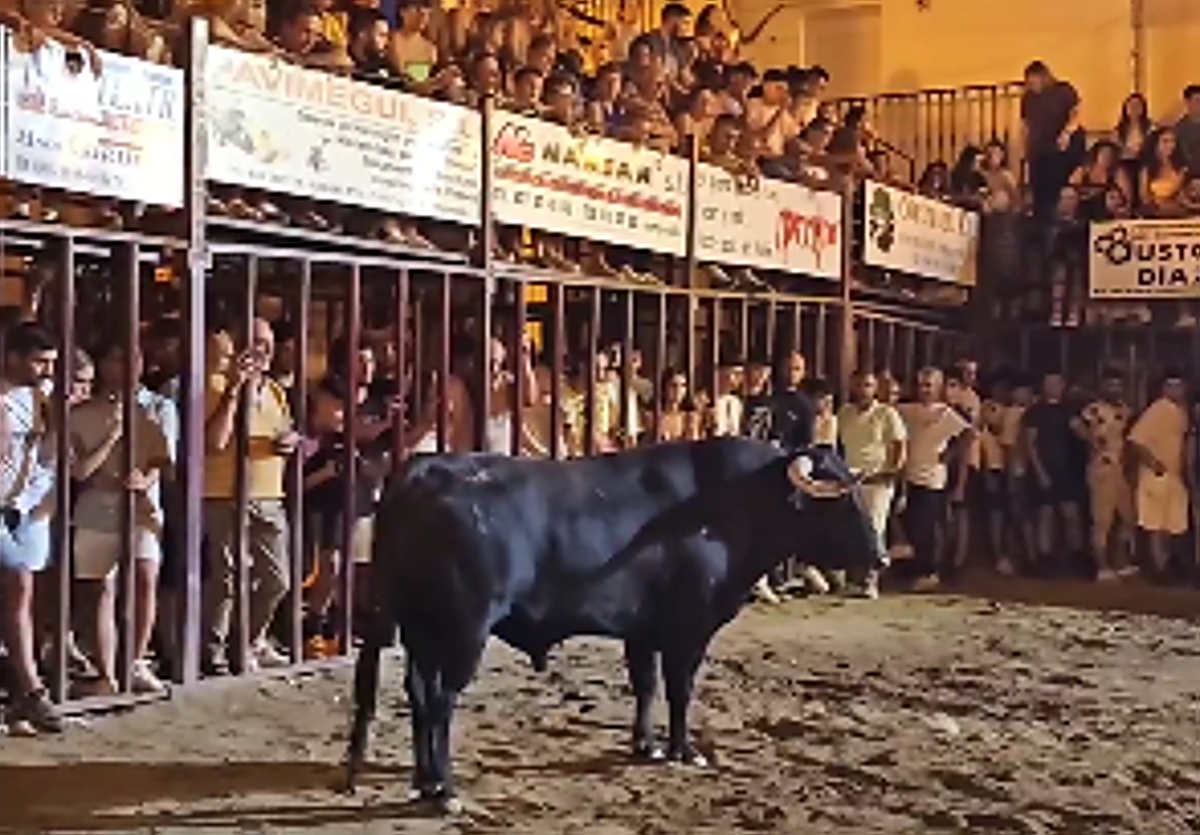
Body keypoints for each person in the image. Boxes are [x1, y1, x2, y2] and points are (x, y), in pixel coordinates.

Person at [70, 342, 176, 694]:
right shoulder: (83, 411)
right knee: (101, 587)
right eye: (119, 357)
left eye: (137, 357)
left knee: (145, 577)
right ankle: (106, 672)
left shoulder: (159, 407)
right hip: (97, 504)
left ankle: (135, 661)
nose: (129, 365)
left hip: (143, 505)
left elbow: (166, 459)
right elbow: (76, 466)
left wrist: (145, 479)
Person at [201, 319, 301, 675]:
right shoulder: (215, 384)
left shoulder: (275, 390)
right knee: (227, 577)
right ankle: (214, 652)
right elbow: (214, 443)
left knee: (278, 580)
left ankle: (249, 641)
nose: (265, 350)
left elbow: (284, 431)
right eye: (257, 342)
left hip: (269, 493)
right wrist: (233, 390)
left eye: (269, 342)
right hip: (224, 493)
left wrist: (290, 441)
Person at [0, 324, 60, 733]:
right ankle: (30, 690)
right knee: (18, 585)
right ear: (13, 357)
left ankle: (26, 690)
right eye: (39, 361)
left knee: (21, 588)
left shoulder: (39, 396)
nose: (45, 370)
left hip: (20, 506)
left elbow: (48, 451)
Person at [896, 367, 973, 585]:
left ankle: (930, 571)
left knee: (929, 527)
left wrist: (949, 454)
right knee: (911, 524)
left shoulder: (946, 414)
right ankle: (915, 569)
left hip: (932, 478)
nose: (925, 389)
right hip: (907, 475)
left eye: (929, 385)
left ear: (938, 387)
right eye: (921, 384)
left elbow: (968, 434)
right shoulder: (908, 410)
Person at [837, 370, 907, 598]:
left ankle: (871, 581)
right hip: (850, 477)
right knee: (851, 528)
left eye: (867, 385)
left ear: (875, 388)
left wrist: (892, 473)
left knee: (875, 529)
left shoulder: (887, 413)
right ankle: (853, 577)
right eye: (858, 384)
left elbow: (899, 445)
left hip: (877, 478)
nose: (862, 389)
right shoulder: (845, 412)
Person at [1073, 368, 1135, 581]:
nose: (1114, 389)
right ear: (1102, 387)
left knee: (1128, 518)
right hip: (1101, 468)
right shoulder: (1093, 409)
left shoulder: (1125, 409)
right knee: (1102, 521)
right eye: (1110, 385)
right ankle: (1102, 567)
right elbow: (1076, 426)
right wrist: (1092, 441)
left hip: (1120, 469)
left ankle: (1119, 561)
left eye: (1118, 385)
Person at [1127, 371, 1190, 583]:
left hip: (1173, 476)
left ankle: (1164, 566)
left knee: (1171, 527)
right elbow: (1135, 440)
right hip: (1157, 476)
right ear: (1163, 388)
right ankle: (1160, 570)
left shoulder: (1179, 411)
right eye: (1171, 386)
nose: (1176, 390)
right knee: (1156, 526)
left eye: (1179, 386)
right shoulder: (1158, 409)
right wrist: (1153, 463)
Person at [1022, 371, 1085, 576]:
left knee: (1071, 515)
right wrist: (1039, 471)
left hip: (1067, 470)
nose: (1053, 386)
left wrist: (1083, 429)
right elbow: (1029, 444)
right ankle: (1044, 559)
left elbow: (1083, 436)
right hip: (1044, 468)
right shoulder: (1035, 412)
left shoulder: (1071, 410)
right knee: (1045, 515)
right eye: (1049, 383)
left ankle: (1074, 558)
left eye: (1057, 383)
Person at [1021, 60, 1085, 219]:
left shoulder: (1063, 90)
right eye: (1029, 82)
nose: (1032, 84)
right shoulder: (1028, 98)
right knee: (1040, 193)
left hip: (1063, 146)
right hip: (1040, 148)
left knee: (1060, 189)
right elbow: (1026, 125)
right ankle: (1042, 225)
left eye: (1034, 80)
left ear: (1043, 77)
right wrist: (1027, 150)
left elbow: (1075, 113)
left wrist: (1066, 133)